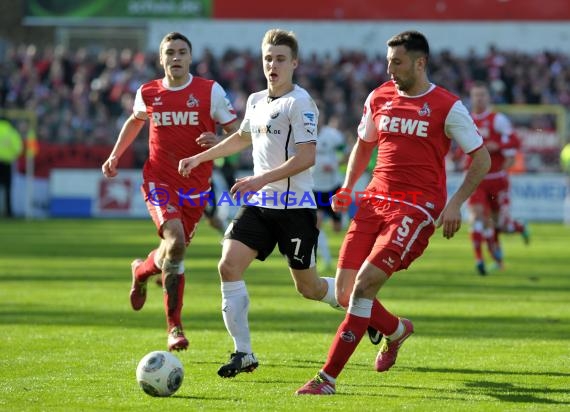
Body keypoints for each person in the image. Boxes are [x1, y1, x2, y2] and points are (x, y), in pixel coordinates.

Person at [296, 30, 491, 395]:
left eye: (397, 62)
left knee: (366, 284)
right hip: (373, 201)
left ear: (420, 62)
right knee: (344, 293)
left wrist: (454, 204)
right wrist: (349, 186)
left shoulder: (448, 106)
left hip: (416, 208)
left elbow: (481, 158)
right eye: (388, 61)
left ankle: (327, 379)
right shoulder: (379, 97)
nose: (389, 69)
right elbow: (364, 144)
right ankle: (397, 331)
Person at [178, 28, 341, 378]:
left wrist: (259, 179)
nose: (273, 65)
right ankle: (243, 352)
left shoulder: (300, 102)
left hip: (295, 207)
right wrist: (199, 157)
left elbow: (307, 155)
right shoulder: (255, 100)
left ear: (294, 63)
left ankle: (362, 306)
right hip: (260, 205)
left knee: (309, 288)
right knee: (228, 265)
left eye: (280, 59)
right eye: (268, 58)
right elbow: (241, 138)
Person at [101, 32, 239, 351]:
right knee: (175, 242)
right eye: (170, 52)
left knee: (170, 255)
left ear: (190, 58)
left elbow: (237, 132)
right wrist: (115, 155)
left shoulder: (209, 92)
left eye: (182, 52)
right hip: (159, 181)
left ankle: (141, 270)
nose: (176, 57)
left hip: (196, 188)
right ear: (161, 59)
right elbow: (135, 122)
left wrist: (219, 143)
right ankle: (174, 327)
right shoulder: (148, 92)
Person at [468, 81, 529, 275]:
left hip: (497, 179)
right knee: (478, 217)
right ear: (471, 98)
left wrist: (498, 146)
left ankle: (518, 227)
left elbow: (515, 140)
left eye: (482, 95)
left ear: (488, 97)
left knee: (499, 225)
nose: (479, 98)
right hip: (476, 179)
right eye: (476, 95)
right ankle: (480, 261)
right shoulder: (466, 119)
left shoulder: (497, 119)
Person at [312, 113, 347, 273]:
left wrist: (334, 165)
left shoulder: (333, 135)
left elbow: (346, 154)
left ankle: (341, 257)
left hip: (332, 187)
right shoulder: (303, 134)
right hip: (314, 187)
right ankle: (324, 260)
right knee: (316, 223)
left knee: (337, 228)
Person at [0, 119, 23, 218]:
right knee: (8, 189)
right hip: (7, 163)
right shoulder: (12, 132)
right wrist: (11, 155)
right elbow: (18, 148)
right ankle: (8, 212)